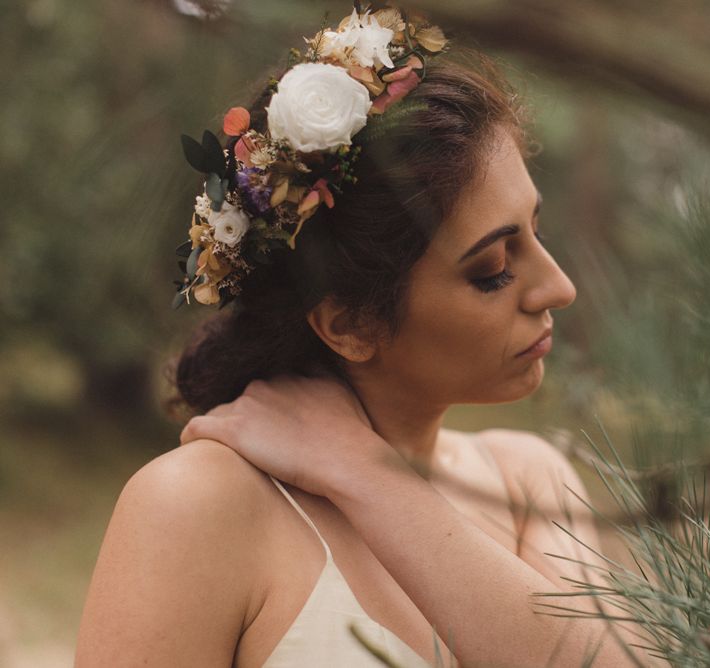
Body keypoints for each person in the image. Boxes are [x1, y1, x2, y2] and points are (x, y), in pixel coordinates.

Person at [76, 6, 659, 667]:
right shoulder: (198, 506)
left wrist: (363, 473)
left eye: (536, 232)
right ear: (351, 324)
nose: (559, 288)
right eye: (494, 269)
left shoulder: (530, 482)